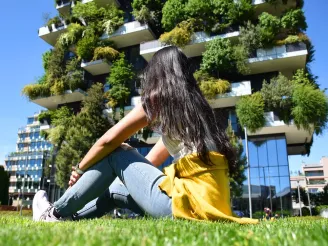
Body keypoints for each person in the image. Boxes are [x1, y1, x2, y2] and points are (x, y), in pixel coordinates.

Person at [32, 46, 258, 224]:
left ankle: (55, 212)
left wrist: (80, 169)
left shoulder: (158, 98)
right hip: (207, 208)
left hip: (186, 207)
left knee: (117, 151)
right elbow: (148, 164)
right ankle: (65, 218)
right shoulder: (197, 113)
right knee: (115, 189)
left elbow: (108, 141)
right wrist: (122, 175)